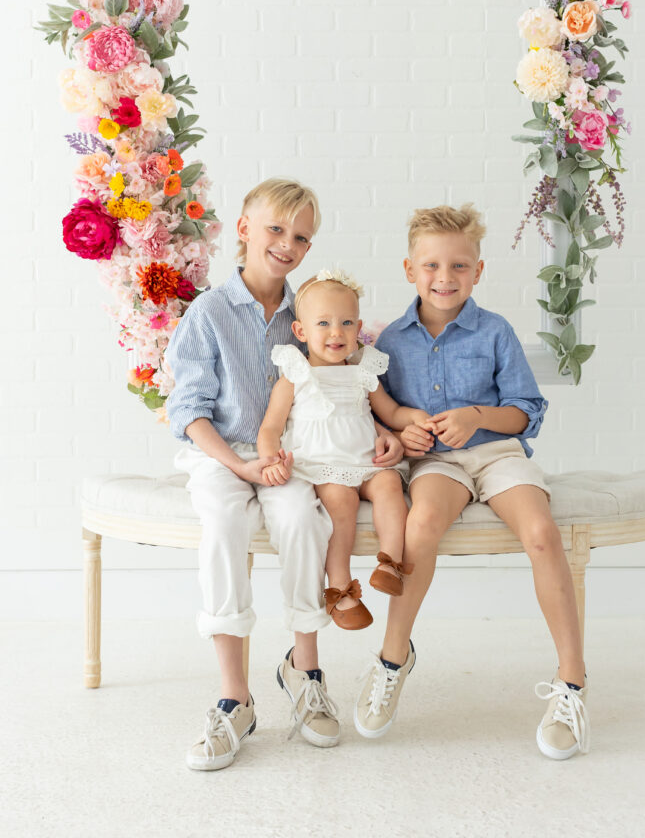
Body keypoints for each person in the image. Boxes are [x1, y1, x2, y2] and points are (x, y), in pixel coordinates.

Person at [166, 179, 401, 770]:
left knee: (302, 516)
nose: (287, 244)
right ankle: (234, 699)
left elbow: (345, 392)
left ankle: (305, 669)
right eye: (275, 229)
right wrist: (241, 463)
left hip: (291, 456)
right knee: (223, 521)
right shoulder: (210, 311)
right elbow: (188, 410)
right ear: (243, 227)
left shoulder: (311, 312)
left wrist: (377, 431)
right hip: (223, 452)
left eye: (301, 236)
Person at [353, 203, 589, 760]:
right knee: (423, 522)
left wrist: (477, 416)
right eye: (432, 266)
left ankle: (572, 681)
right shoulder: (390, 343)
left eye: (459, 266)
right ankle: (392, 658)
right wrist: (405, 433)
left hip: (499, 453)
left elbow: (525, 411)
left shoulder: (495, 331)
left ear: (478, 272)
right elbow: (383, 411)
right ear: (410, 269)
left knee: (540, 533)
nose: (444, 278)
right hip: (437, 462)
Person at [257, 269, 425, 630]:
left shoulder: (364, 369)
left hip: (369, 461)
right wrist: (270, 459)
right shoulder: (295, 373)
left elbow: (391, 412)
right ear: (301, 331)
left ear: (358, 328)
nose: (337, 332)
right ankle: (340, 588)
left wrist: (416, 418)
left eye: (347, 322)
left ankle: (390, 564)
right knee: (342, 506)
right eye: (324, 323)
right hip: (323, 466)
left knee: (390, 488)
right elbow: (270, 427)